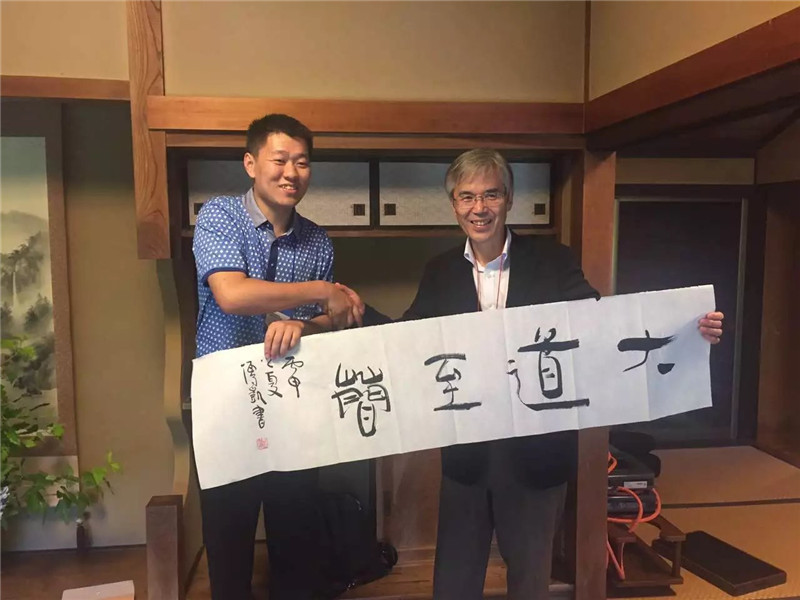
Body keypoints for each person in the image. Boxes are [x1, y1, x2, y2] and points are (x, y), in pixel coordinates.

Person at [400, 149, 724, 600]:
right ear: (454, 204)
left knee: (530, 581)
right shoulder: (440, 272)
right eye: (467, 197)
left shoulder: (552, 260)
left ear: (509, 198)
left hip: (537, 451)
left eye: (491, 194)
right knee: (454, 581)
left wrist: (686, 328)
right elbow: (406, 337)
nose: (480, 208)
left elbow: (601, 323)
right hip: (467, 453)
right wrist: (350, 318)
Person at [192, 113, 365, 600]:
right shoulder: (220, 216)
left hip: (293, 404)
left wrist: (305, 323)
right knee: (229, 541)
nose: (292, 173)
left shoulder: (317, 239)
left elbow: (330, 323)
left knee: (296, 540)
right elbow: (231, 294)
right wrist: (321, 290)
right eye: (280, 160)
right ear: (251, 164)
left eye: (302, 162)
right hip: (226, 402)